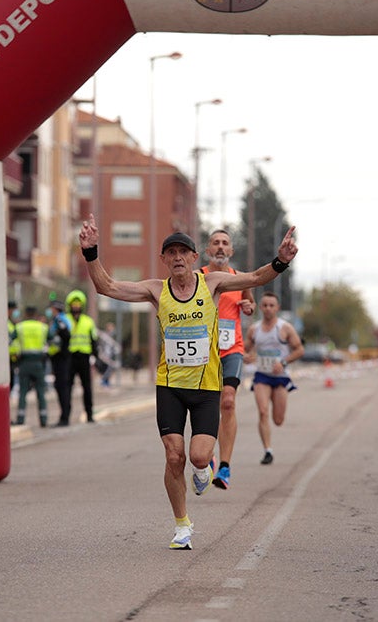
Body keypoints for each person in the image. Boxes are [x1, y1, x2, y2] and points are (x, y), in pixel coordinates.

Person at [78, 213, 297, 550]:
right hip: (170, 385)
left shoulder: (212, 283)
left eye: (184, 252)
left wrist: (280, 261)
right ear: (164, 259)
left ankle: (205, 470)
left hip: (207, 385)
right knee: (173, 455)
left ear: (196, 258)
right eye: (172, 253)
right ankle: (182, 525)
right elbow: (106, 286)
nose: (178, 258)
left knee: (197, 458)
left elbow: (255, 277)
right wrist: (91, 252)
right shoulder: (156, 290)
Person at [200, 229, 255, 490]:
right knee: (205, 404)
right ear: (208, 250)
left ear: (231, 251)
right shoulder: (198, 277)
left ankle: (224, 466)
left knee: (229, 401)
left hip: (232, 348)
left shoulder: (240, 279)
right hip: (204, 352)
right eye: (215, 243)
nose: (220, 247)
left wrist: (248, 307)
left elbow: (250, 303)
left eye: (225, 243)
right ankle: (206, 454)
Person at [244, 291, 304, 465]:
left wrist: (283, 363)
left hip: (280, 377)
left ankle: (270, 440)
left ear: (277, 308)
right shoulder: (254, 329)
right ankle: (267, 450)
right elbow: (245, 348)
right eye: (265, 305)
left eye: (272, 305)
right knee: (263, 412)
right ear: (260, 307)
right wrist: (245, 355)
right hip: (262, 375)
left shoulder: (285, 328)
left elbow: (299, 350)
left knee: (278, 420)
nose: (268, 309)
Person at [10, 305, 50, 427]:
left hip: (24, 363)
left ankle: (21, 418)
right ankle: (43, 419)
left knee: (22, 392)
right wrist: (47, 354)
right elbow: (54, 341)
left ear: (26, 314)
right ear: (35, 314)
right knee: (40, 393)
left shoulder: (19, 327)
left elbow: (9, 341)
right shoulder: (43, 327)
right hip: (38, 364)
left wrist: (14, 355)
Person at [64, 289, 98, 423]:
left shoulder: (88, 321)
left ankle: (89, 415)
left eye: (78, 304)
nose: (76, 307)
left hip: (84, 357)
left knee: (87, 387)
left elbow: (94, 340)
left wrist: (95, 356)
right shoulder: (65, 319)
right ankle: (65, 416)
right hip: (70, 357)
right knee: (68, 387)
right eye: (74, 304)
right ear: (70, 305)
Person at [47, 299, 72, 426]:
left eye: (51, 308)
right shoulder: (61, 319)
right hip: (60, 357)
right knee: (62, 387)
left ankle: (64, 417)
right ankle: (64, 416)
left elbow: (65, 336)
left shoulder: (60, 320)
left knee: (62, 387)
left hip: (61, 358)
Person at [97, 322, 122, 387]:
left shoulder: (113, 337)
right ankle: (104, 381)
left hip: (111, 355)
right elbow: (101, 345)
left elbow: (116, 346)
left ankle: (106, 381)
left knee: (111, 368)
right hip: (104, 356)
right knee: (105, 368)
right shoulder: (104, 336)